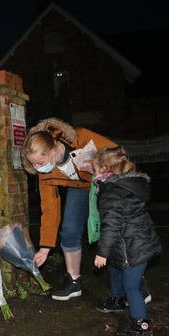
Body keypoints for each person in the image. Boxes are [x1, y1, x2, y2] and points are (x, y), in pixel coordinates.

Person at [21, 117, 117, 301]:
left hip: (107, 183)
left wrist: (103, 173)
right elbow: (49, 209)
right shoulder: (44, 174)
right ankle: (74, 282)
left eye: (40, 162)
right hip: (80, 188)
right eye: (33, 164)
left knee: (114, 229)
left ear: (54, 149)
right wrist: (45, 248)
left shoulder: (80, 139)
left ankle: (134, 280)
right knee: (69, 231)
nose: (37, 168)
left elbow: (118, 154)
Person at [92, 147, 161, 333]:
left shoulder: (112, 193)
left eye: (94, 169)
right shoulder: (129, 184)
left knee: (132, 287)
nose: (93, 173)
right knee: (115, 267)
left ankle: (141, 322)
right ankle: (117, 299)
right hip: (138, 241)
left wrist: (102, 252)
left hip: (131, 248)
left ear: (105, 169)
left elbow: (111, 225)